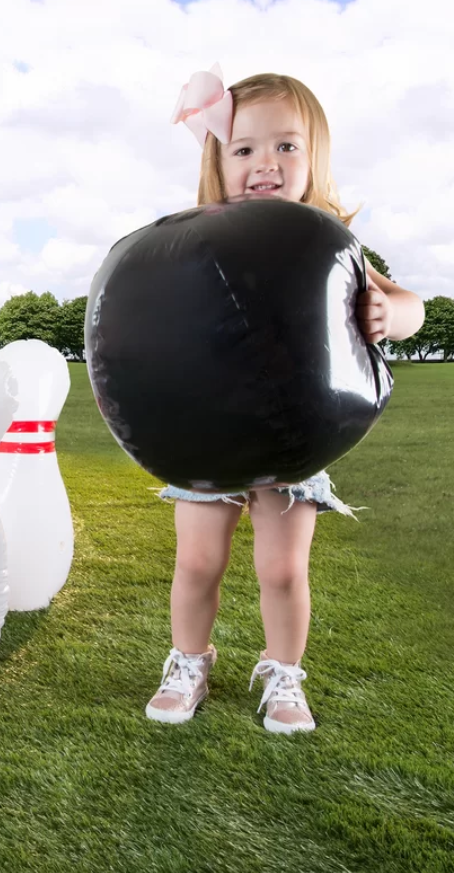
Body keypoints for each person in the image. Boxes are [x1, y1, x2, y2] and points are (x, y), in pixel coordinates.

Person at [147, 64, 426, 734]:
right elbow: (154, 317)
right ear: (219, 159)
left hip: (295, 431)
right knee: (197, 558)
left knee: (280, 566)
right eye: (243, 149)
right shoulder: (195, 237)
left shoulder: (328, 243)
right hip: (209, 430)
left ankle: (282, 671)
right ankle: (188, 661)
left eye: (285, 146)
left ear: (314, 157)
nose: (264, 163)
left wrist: (392, 313)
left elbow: (408, 301)